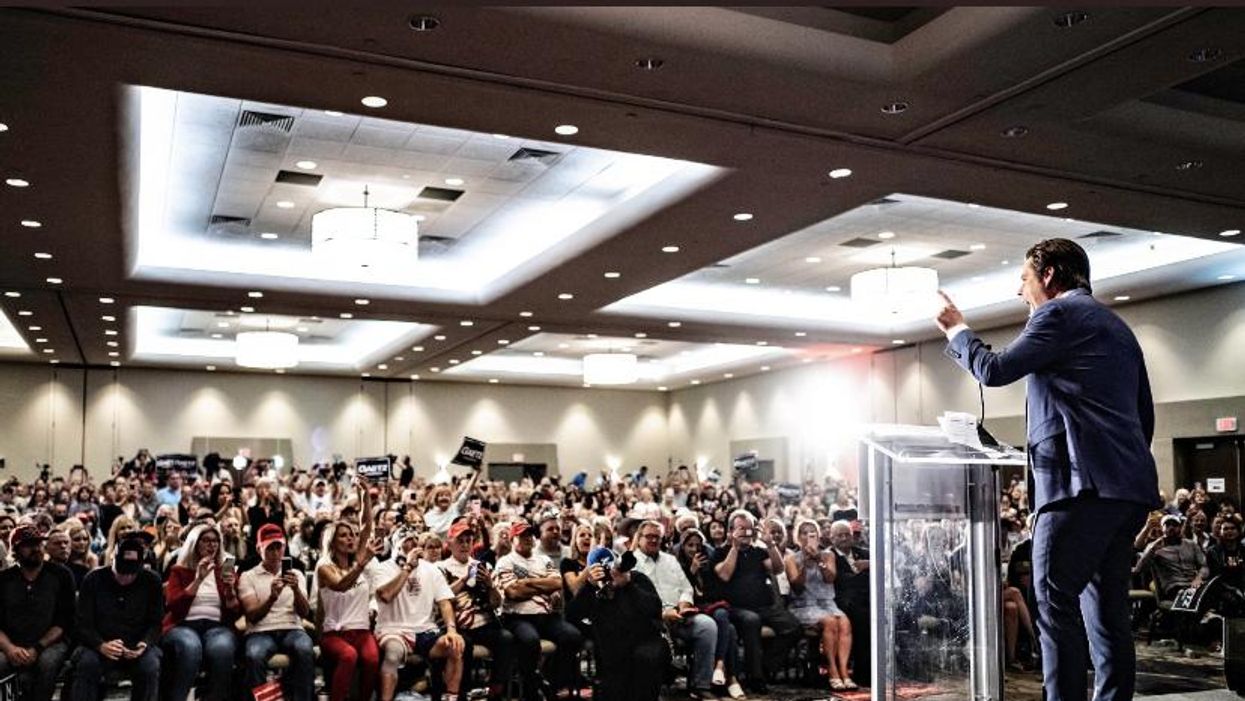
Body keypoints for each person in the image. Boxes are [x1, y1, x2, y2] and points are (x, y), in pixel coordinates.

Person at [936, 237, 1161, 701]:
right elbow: (1145, 414)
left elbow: (995, 370)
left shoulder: (1058, 314)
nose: (1021, 292)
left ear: (1050, 275)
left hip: (1078, 489)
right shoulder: (1117, 327)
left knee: (1055, 605)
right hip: (1127, 489)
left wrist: (958, 332)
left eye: (1024, 279)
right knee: (1108, 613)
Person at [630, 520, 723, 699]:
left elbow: (687, 588)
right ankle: (655, 686)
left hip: (679, 615)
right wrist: (662, 614)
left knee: (707, 625)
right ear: (639, 538)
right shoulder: (631, 563)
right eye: (649, 536)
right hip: (651, 621)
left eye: (657, 537)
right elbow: (633, 600)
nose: (654, 540)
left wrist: (684, 604)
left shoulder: (670, 560)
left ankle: (700, 684)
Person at [371, 526, 466, 701]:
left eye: (415, 542)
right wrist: (407, 568)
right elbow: (385, 595)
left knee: (455, 646)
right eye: (407, 543)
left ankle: (450, 698)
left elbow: (444, 602)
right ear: (397, 547)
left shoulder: (431, 569)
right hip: (393, 629)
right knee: (392, 654)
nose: (413, 546)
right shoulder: (383, 568)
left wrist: (452, 629)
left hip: (425, 630)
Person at [496, 519, 584, 701]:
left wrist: (527, 582)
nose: (528, 538)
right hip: (518, 616)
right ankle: (531, 687)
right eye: (522, 535)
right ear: (513, 539)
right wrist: (543, 585)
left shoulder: (544, 559)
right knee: (530, 640)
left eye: (530, 535)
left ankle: (553, 682)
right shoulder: (505, 561)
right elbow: (513, 592)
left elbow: (557, 583)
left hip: (547, 615)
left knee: (573, 636)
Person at [713, 510, 800, 693]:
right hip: (735, 608)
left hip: (765, 606)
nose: (746, 533)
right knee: (752, 621)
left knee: (793, 626)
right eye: (741, 529)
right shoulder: (720, 552)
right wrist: (735, 548)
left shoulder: (758, 552)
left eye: (750, 529)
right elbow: (725, 574)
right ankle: (756, 677)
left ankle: (766, 666)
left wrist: (770, 544)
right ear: (730, 531)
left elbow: (778, 568)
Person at [72, 532, 164, 701]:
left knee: (150, 666)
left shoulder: (152, 581)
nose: (126, 578)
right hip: (99, 642)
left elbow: (156, 623)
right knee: (87, 663)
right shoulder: (93, 579)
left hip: (137, 643)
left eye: (131, 574)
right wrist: (100, 645)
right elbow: (83, 623)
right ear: (113, 558)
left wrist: (144, 644)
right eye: (122, 573)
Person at [573, 547, 669, 701]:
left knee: (646, 659)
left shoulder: (637, 578)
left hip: (645, 639)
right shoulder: (592, 588)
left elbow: (654, 609)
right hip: (611, 647)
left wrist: (628, 585)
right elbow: (573, 615)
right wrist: (590, 586)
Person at [316, 489, 383, 701]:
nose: (351, 539)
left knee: (372, 659)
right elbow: (341, 585)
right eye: (344, 536)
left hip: (361, 631)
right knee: (348, 655)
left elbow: (366, 527)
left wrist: (364, 495)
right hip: (334, 634)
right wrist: (362, 564)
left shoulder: (357, 561)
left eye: (352, 535)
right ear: (333, 543)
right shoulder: (325, 568)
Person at [161, 523, 240, 701]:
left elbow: (235, 612)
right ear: (195, 543)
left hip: (217, 626)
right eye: (206, 541)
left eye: (215, 541)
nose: (211, 545)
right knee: (190, 646)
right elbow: (173, 606)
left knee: (223, 647)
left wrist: (230, 591)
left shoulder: (225, 570)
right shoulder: (179, 571)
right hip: (183, 625)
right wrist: (198, 580)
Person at [440, 518, 516, 701]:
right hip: (456, 624)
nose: (465, 544)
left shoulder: (484, 566)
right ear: (450, 543)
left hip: (483, 621)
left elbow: (497, 603)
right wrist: (465, 579)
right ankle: (462, 693)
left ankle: (495, 690)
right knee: (462, 645)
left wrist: (490, 586)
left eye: (469, 540)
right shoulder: (440, 568)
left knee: (507, 639)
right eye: (460, 540)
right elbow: (441, 598)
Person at [238, 523, 315, 701]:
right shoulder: (248, 576)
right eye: (269, 548)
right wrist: (272, 598)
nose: (275, 553)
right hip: (260, 630)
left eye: (278, 547)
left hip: (292, 628)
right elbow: (252, 616)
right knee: (254, 655)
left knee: (305, 649)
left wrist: (296, 590)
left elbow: (304, 613)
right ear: (259, 550)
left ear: (284, 548)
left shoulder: (296, 574)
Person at [0, 525, 75, 701]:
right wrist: (9, 648)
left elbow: (64, 620)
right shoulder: (3, 580)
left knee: (47, 662)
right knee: (1, 663)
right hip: (11, 643)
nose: (36, 549)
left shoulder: (61, 575)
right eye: (28, 545)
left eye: (39, 544)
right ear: (16, 550)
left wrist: (37, 648)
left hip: (50, 642)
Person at [785, 519, 854, 691]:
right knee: (830, 622)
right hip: (803, 605)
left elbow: (830, 578)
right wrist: (805, 565)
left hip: (827, 603)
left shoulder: (828, 555)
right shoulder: (791, 559)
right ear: (798, 538)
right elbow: (797, 588)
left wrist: (818, 560)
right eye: (804, 533)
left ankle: (844, 672)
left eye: (812, 533)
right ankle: (832, 671)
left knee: (845, 622)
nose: (808, 536)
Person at [828, 521, 871, 689]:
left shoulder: (864, 553)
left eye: (847, 534)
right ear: (832, 538)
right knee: (863, 618)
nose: (844, 538)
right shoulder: (829, 555)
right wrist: (864, 573)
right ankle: (863, 673)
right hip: (843, 602)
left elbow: (884, 566)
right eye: (840, 535)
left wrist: (869, 565)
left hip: (867, 599)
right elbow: (843, 581)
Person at [1133, 514, 1206, 601]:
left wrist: (1199, 577)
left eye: (1175, 525)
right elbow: (1139, 570)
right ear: (1162, 528)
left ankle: (1210, 613)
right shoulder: (1154, 546)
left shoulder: (1191, 544)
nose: (1171, 527)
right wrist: (1151, 551)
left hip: (1195, 584)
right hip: (1174, 587)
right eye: (1167, 525)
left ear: (1180, 527)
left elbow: (1204, 566)